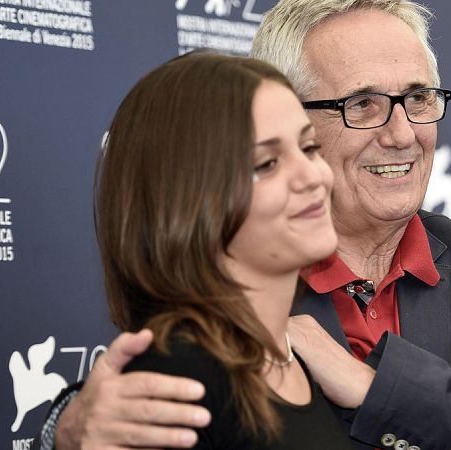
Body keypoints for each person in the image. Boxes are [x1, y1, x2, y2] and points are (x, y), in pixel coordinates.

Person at [39, 1, 451, 450]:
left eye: (417, 98)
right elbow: (156, 390)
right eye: (363, 104)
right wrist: (63, 427)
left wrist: (377, 387)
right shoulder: (250, 288)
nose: (402, 133)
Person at [89, 51, 352, 449]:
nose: (312, 175)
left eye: (309, 147)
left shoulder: (293, 360)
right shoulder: (175, 381)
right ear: (188, 200)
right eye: (267, 164)